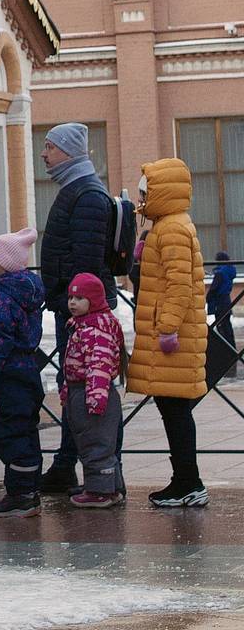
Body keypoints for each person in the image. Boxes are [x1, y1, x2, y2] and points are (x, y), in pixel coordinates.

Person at [38, 121, 119, 495]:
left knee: (85, 389)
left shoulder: (85, 194)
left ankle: (97, 474)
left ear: (68, 151)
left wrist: (74, 306)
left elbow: (86, 260)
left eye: (51, 147)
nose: (44, 154)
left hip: (81, 312)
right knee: (73, 388)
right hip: (73, 307)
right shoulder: (76, 189)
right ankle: (69, 465)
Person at [128, 158, 210, 507]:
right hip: (171, 333)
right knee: (173, 409)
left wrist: (167, 328)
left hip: (172, 338)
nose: (141, 196)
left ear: (163, 191)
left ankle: (188, 483)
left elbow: (178, 285)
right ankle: (186, 480)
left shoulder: (172, 229)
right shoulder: (168, 226)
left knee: (175, 410)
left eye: (146, 190)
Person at [0, 227, 45, 518]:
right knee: (26, 429)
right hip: (28, 371)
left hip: (8, 376)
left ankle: (20, 494)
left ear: (4, 263)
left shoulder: (2, 297)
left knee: (11, 432)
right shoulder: (25, 293)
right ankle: (29, 489)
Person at [61, 272, 126, 508]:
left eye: (79, 298)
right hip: (83, 390)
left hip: (94, 393)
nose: (72, 303)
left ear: (95, 300)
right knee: (94, 440)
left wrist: (96, 397)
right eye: (70, 297)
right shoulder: (83, 325)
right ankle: (112, 487)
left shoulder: (96, 329)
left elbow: (99, 365)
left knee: (95, 442)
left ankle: (100, 491)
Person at [207, 249, 237, 373]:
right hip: (227, 302)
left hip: (220, 304)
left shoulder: (220, 273)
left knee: (221, 328)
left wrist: (208, 298)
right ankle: (233, 350)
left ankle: (226, 353)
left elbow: (214, 289)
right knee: (227, 327)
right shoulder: (229, 271)